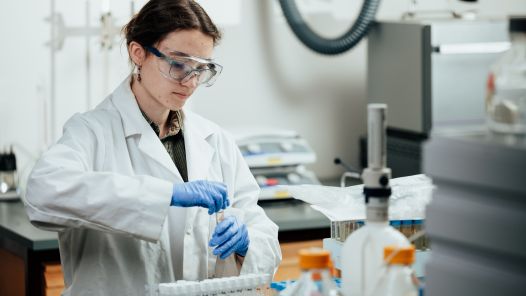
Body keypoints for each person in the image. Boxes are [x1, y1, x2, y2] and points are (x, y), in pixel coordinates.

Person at [24, 0, 281, 294]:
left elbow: (264, 235)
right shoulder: (92, 131)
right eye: (178, 63)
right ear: (139, 53)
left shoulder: (214, 140)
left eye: (201, 68)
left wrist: (248, 241)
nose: (190, 81)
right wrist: (165, 195)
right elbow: (42, 193)